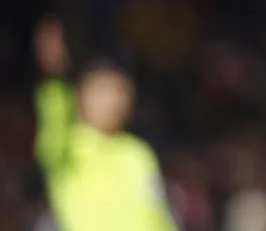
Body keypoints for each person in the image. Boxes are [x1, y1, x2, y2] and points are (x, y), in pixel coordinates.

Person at [33, 16, 177, 231]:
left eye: (119, 91)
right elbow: (54, 115)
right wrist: (54, 75)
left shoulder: (138, 153)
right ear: (81, 97)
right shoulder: (67, 146)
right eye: (102, 91)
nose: (111, 101)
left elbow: (158, 215)